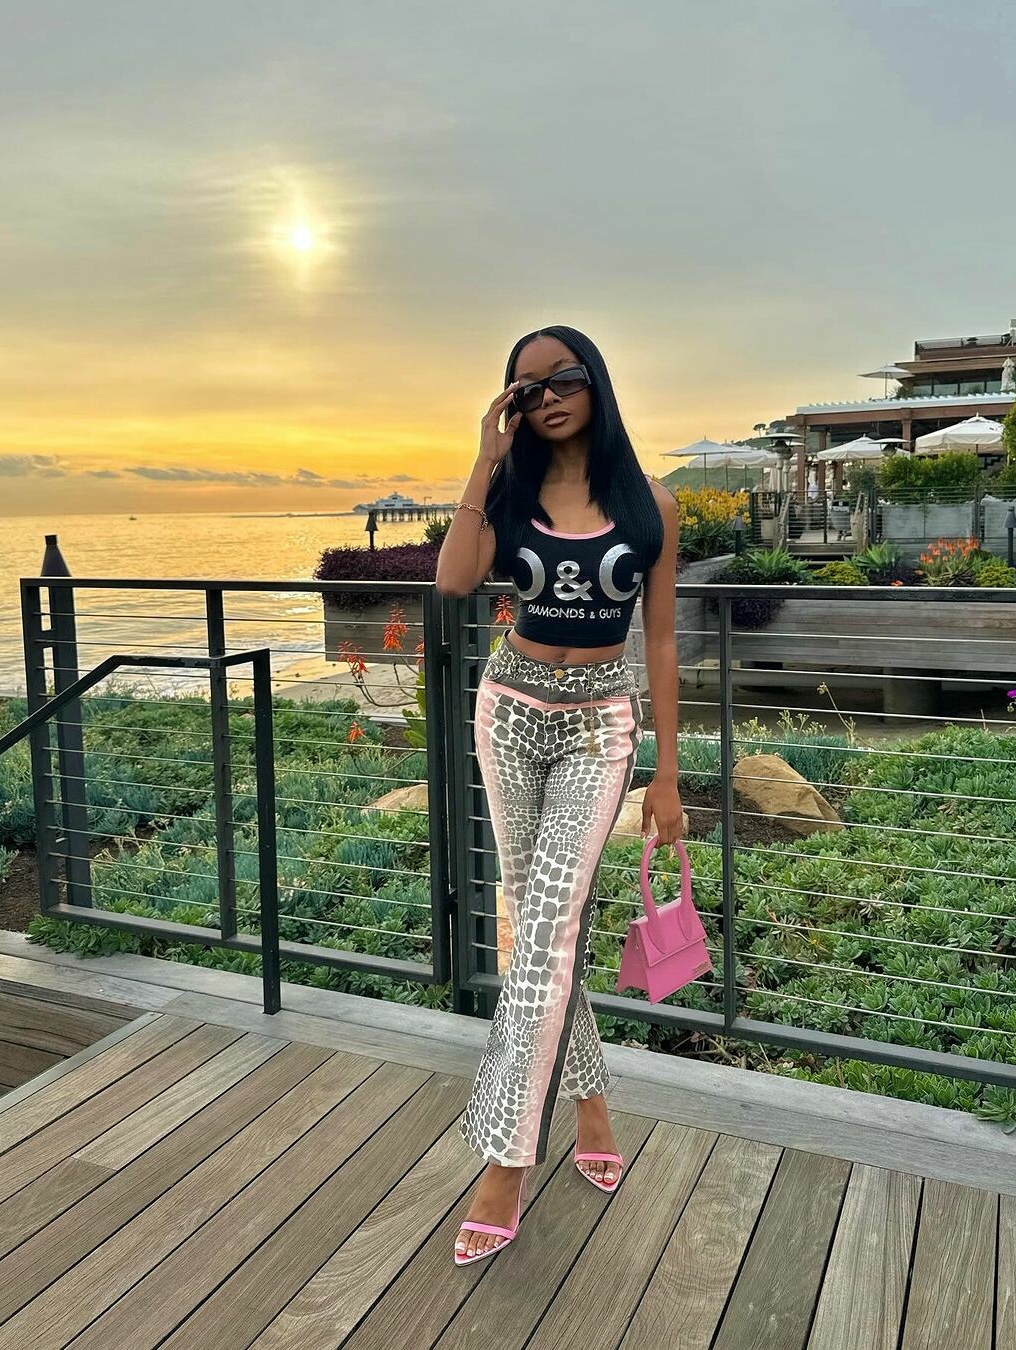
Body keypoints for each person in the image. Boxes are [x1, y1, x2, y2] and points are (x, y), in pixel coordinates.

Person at [436, 325, 683, 1265]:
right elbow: (455, 581)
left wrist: (667, 772)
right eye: (526, 387)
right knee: (542, 928)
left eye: (564, 378)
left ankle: (505, 1159)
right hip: (509, 711)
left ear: (595, 383)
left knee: (547, 929)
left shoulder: (649, 505)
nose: (547, 397)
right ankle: (591, 1104)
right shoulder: (509, 494)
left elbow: (661, 640)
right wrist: (483, 458)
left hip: (598, 725)